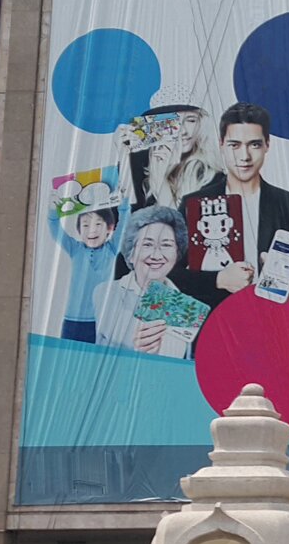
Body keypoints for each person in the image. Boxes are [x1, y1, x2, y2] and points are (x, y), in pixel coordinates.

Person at [173, 101, 289, 311]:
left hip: (272, 321)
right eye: (235, 145)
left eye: (254, 144)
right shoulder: (195, 203)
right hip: (215, 324)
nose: (244, 156)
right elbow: (168, 272)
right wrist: (218, 279)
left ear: (267, 144)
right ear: (221, 144)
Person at [93, 205, 208, 359]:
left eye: (166, 245)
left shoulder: (185, 306)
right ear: (131, 254)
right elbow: (122, 338)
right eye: (147, 244)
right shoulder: (106, 293)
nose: (156, 255)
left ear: (176, 253)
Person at [45, 184, 124, 343]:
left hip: (101, 321)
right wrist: (53, 210)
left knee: (95, 363)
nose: (91, 230)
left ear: (109, 228)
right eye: (86, 225)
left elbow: (124, 224)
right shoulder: (75, 248)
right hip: (72, 319)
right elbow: (55, 229)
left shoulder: (112, 248)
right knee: (68, 360)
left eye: (98, 224)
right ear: (79, 230)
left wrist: (123, 204)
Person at [130, 103, 221, 211]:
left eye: (191, 120)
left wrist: (161, 180)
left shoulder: (211, 177)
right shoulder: (139, 168)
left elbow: (176, 225)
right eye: (171, 122)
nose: (183, 131)